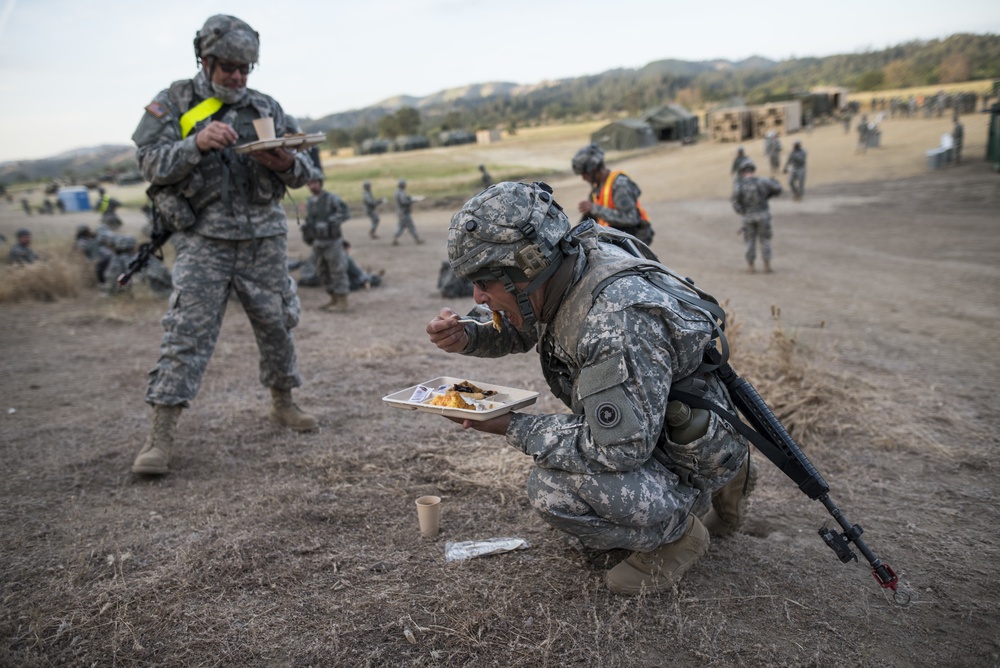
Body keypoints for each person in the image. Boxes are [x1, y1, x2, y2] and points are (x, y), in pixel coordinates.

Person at [425, 181, 755, 595]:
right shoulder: (572, 257)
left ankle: (678, 531)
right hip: (667, 424)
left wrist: (511, 426)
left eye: (486, 282)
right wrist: (468, 336)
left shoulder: (616, 317)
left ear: (526, 268)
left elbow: (618, 448)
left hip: (664, 445)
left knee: (552, 489)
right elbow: (529, 323)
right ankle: (714, 480)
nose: (477, 295)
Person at [128, 14, 317, 476]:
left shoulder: (265, 106)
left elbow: (310, 173)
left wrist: (284, 163)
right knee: (186, 333)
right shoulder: (175, 101)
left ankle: (282, 402)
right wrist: (196, 144)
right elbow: (149, 163)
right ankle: (161, 437)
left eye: (245, 68)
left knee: (277, 324)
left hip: (263, 238)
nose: (237, 76)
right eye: (229, 67)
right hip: (203, 241)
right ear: (206, 59)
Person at [571, 143, 653, 245]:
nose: (583, 178)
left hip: (632, 241)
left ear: (594, 169)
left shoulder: (620, 185)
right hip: (612, 237)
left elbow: (630, 218)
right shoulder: (598, 186)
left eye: (584, 174)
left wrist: (594, 208)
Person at [303, 172, 352, 312]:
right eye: (310, 183)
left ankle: (343, 300)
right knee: (322, 271)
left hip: (332, 241)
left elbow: (345, 213)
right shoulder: (310, 202)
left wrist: (330, 222)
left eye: (315, 182)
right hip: (318, 242)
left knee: (337, 269)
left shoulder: (331, 198)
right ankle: (333, 297)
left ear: (320, 183)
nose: (312, 186)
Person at [732, 159, 782, 273]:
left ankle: (751, 265)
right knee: (765, 240)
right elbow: (778, 189)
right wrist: (768, 195)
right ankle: (767, 264)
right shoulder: (763, 181)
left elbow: (735, 203)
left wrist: (744, 212)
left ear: (742, 171)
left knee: (749, 241)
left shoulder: (739, 185)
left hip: (748, 216)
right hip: (763, 214)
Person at [392, 179, 424, 245]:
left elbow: (405, 199)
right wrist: (412, 200)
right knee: (411, 226)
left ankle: (395, 239)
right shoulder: (400, 193)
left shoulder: (398, 192)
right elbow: (404, 202)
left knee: (400, 226)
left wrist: (410, 198)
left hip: (401, 212)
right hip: (404, 212)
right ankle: (417, 239)